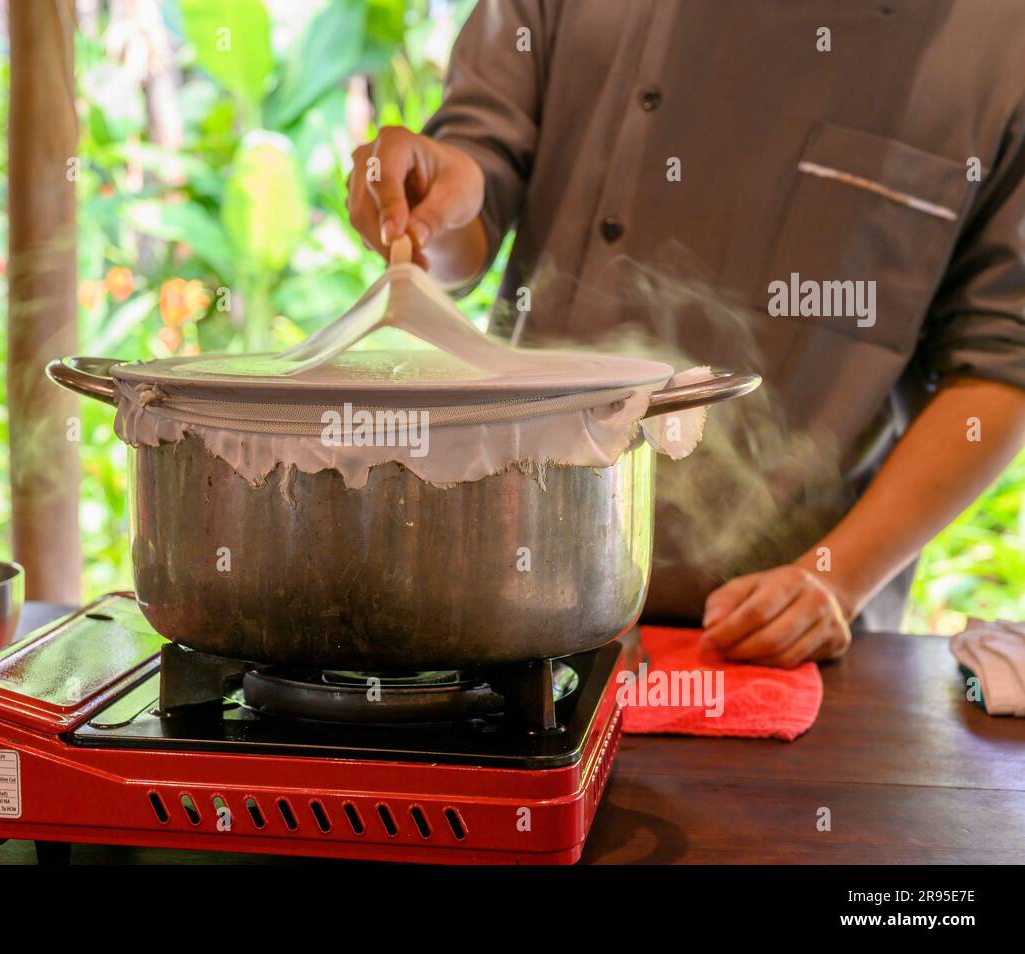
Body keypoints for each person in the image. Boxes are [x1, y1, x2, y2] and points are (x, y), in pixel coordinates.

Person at [345, 0, 1025, 667]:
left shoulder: (1000, 42)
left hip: (784, 639)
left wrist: (835, 577)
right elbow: (467, 212)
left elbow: (1000, 365)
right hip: (519, 589)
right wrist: (424, 207)